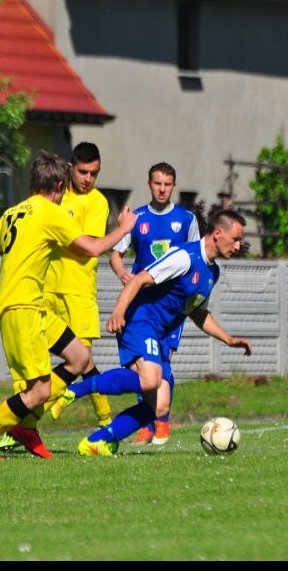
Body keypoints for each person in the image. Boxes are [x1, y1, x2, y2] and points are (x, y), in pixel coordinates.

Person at [0, 152, 136, 460]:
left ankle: (26, 426)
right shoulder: (49, 212)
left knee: (80, 357)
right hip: (23, 310)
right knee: (39, 392)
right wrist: (123, 229)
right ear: (59, 186)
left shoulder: (14, 212)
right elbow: (92, 248)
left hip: (35, 308)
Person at [51, 209, 253, 456]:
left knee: (158, 406)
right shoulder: (184, 257)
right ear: (218, 234)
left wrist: (228, 339)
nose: (238, 245)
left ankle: (97, 441)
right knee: (150, 381)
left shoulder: (213, 272)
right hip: (141, 319)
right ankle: (75, 391)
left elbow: (198, 312)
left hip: (161, 332)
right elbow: (138, 280)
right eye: (235, 239)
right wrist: (118, 313)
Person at [107, 162, 200, 445]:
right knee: (142, 367)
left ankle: (162, 418)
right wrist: (122, 273)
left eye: (167, 184)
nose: (162, 189)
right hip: (141, 304)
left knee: (162, 359)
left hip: (170, 306)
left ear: (174, 186)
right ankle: (147, 423)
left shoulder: (186, 220)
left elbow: (196, 258)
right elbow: (115, 254)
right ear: (149, 184)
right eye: (157, 183)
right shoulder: (136, 218)